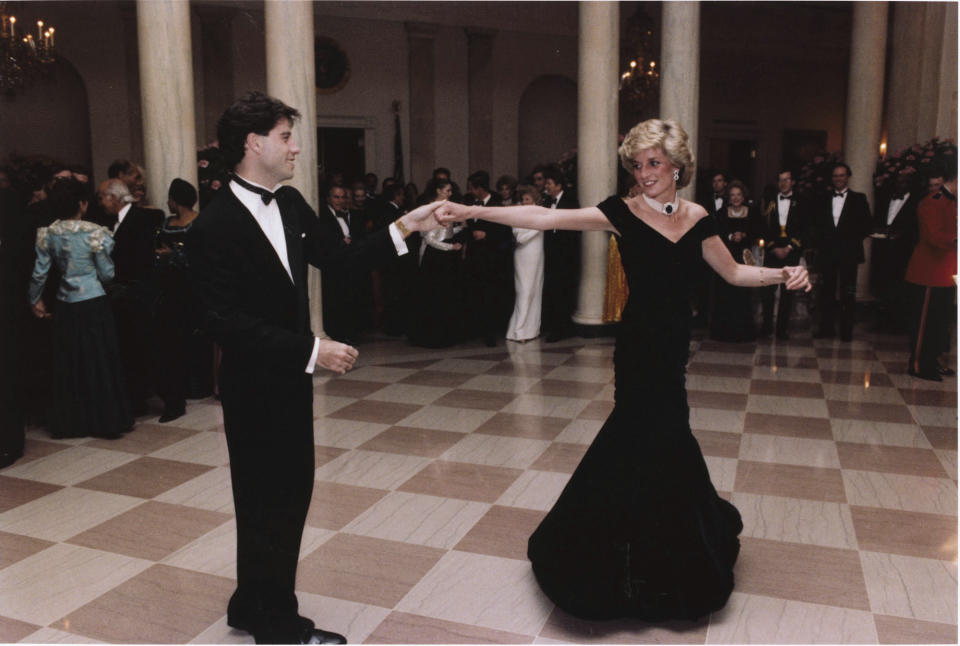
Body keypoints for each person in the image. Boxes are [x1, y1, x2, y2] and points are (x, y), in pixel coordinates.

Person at [438, 118, 810, 621]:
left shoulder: (699, 216)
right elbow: (545, 218)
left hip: (675, 346)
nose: (644, 173)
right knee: (645, 433)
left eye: (653, 163)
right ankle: (614, 555)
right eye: (637, 165)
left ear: (677, 165)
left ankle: (672, 547)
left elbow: (734, 271)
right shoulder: (622, 211)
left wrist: (781, 274)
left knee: (668, 434)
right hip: (638, 346)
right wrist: (469, 209)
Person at [186, 92, 441, 645]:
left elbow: (343, 260)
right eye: (285, 136)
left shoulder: (294, 203)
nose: (296, 147)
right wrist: (312, 349)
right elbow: (223, 322)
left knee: (285, 494)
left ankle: (251, 603)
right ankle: (278, 625)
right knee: (268, 499)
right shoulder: (214, 226)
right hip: (254, 384)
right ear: (254, 144)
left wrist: (407, 228)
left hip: (288, 383)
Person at [28, 177, 133, 439]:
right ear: (83, 204)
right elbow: (107, 274)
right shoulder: (94, 233)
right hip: (94, 302)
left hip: (65, 303)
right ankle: (107, 420)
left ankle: (72, 422)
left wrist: (35, 299)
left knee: (70, 362)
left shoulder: (48, 233)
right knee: (99, 360)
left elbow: (39, 273)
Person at [153, 178, 201, 422]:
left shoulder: (199, 222)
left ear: (176, 199)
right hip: (168, 289)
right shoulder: (166, 223)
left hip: (192, 287)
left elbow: (202, 256)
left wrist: (174, 256)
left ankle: (195, 385)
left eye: (170, 198)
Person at [904, 159, 957, 381]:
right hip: (929, 272)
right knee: (925, 324)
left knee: (940, 322)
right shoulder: (931, 202)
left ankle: (932, 360)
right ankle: (918, 365)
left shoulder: (953, 202)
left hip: (947, 272)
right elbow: (933, 237)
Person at [810, 162, 872, 341]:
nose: (838, 179)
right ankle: (826, 329)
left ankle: (846, 332)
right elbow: (816, 224)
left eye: (842, 175)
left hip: (849, 254)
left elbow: (867, 225)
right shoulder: (822, 198)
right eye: (836, 176)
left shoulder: (859, 198)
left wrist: (848, 239)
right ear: (832, 178)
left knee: (848, 294)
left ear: (848, 177)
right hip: (828, 253)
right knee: (826, 293)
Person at [408, 178, 466, 348]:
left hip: (443, 258)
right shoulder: (431, 209)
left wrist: (459, 228)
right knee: (434, 296)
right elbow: (430, 238)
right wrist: (451, 247)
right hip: (434, 258)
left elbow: (444, 231)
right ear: (438, 191)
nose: (450, 193)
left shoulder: (444, 208)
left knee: (443, 296)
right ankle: (432, 336)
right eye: (447, 190)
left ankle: (444, 335)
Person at [711, 180, 762, 341]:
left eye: (738, 195)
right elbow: (715, 233)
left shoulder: (753, 212)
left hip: (745, 258)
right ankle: (724, 331)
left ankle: (743, 331)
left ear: (743, 196)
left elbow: (759, 231)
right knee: (726, 293)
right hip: (725, 256)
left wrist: (745, 236)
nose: (736, 198)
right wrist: (730, 236)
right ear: (728, 196)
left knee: (743, 294)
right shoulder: (721, 213)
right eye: (732, 195)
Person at [760, 169, 807, 339]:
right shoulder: (769, 201)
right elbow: (763, 226)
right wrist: (773, 247)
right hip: (773, 251)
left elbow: (805, 228)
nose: (783, 183)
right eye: (780, 180)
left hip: (791, 251)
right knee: (767, 291)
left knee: (788, 292)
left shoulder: (802, 202)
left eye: (786, 180)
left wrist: (789, 247)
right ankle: (766, 328)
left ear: (793, 182)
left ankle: (782, 330)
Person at [541, 166, 581, 342]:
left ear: (558, 185)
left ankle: (563, 328)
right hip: (551, 253)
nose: (546, 187)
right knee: (553, 290)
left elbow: (575, 227)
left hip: (566, 255)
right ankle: (554, 325)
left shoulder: (571, 200)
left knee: (565, 290)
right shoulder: (545, 202)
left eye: (549, 183)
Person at [506, 184, 545, 342]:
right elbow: (520, 238)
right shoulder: (518, 214)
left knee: (536, 290)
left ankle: (532, 330)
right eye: (523, 199)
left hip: (537, 255)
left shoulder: (541, 213)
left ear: (534, 199)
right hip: (523, 256)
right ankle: (518, 331)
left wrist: (540, 225)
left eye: (527, 199)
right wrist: (539, 227)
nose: (524, 202)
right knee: (525, 291)